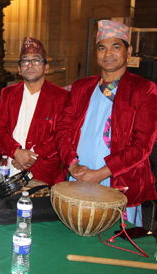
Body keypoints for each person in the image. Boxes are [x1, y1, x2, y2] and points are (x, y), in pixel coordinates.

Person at [55, 20, 157, 226]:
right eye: (102, 48)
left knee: (116, 244)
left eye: (115, 47)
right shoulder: (82, 87)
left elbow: (142, 145)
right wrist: (73, 166)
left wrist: (100, 174)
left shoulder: (144, 90)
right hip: (79, 177)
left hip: (118, 181)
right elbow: (62, 128)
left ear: (128, 51)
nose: (108, 54)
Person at [0, 37, 68, 186]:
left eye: (37, 60)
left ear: (46, 67)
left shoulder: (61, 97)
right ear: (19, 69)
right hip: (10, 169)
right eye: (25, 61)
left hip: (43, 175)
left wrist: (29, 157)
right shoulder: (8, 93)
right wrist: (16, 152)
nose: (30, 64)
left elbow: (62, 135)